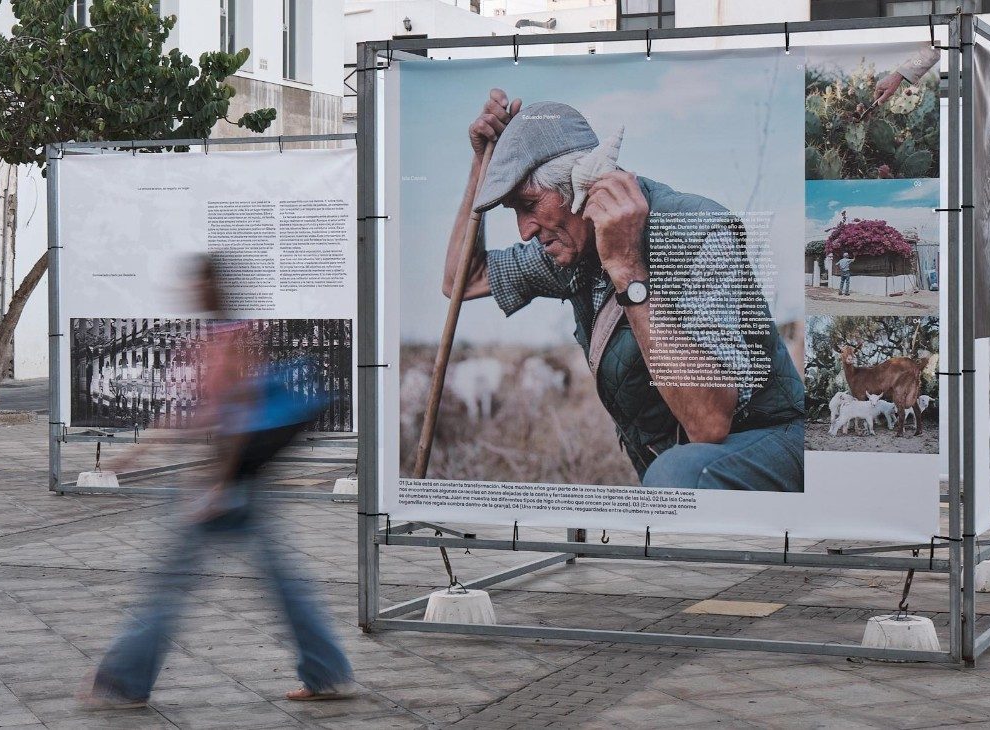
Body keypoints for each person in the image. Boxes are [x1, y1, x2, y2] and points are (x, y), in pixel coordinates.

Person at [442, 91, 805, 491]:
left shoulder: (696, 230)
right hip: (684, 467)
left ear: (579, 188)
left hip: (771, 443)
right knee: (672, 473)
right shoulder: (571, 245)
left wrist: (627, 269)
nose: (524, 231)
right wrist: (485, 166)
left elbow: (709, 423)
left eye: (528, 204)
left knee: (676, 473)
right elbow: (463, 278)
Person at [79, 257, 353, 710]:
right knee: (281, 583)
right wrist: (139, 452)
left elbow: (237, 416)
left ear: (214, 288)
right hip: (231, 483)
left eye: (199, 283)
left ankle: (125, 680)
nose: (192, 291)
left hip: (226, 485)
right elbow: (198, 412)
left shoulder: (232, 341)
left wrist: (219, 485)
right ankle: (326, 671)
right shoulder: (223, 338)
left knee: (169, 584)